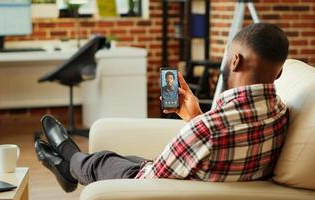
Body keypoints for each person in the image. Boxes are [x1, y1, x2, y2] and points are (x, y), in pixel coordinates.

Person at [34, 23, 290, 192]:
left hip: (168, 187)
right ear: (277, 74)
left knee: (102, 160)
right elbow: (226, 144)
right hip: (212, 176)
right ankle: (68, 166)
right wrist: (195, 117)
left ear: (235, 61)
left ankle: (68, 159)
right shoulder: (280, 113)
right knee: (127, 159)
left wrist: (199, 124)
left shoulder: (208, 131)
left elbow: (149, 179)